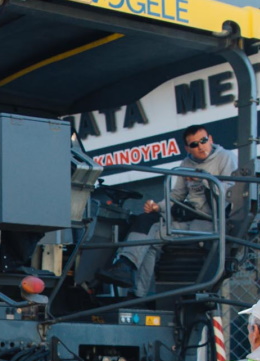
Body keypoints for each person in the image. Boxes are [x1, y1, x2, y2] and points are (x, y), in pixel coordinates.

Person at [101, 125, 238, 295]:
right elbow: (177, 195)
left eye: (203, 141)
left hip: (211, 222)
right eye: (194, 144)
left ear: (210, 139)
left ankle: (129, 272)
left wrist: (203, 179)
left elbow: (229, 194)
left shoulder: (226, 157)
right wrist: (158, 206)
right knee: (148, 229)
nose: (200, 147)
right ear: (187, 148)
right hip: (188, 217)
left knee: (151, 235)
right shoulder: (186, 163)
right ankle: (134, 284)